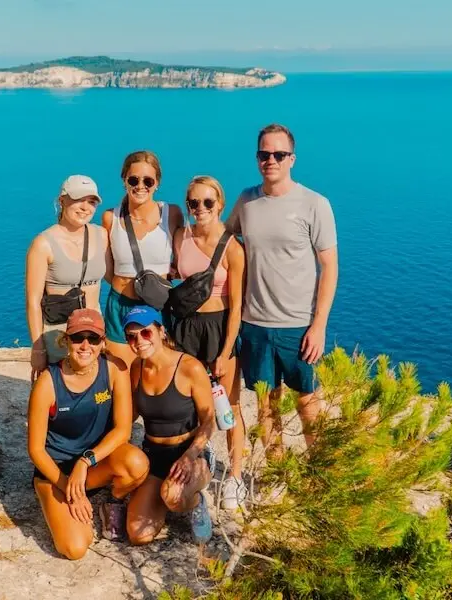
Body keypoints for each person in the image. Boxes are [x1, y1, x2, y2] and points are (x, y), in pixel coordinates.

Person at [226, 123, 339, 456]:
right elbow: (225, 239)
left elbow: (329, 266)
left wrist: (318, 327)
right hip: (256, 324)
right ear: (257, 158)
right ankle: (278, 473)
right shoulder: (246, 200)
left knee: (308, 403)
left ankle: (319, 474)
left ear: (292, 159)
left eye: (279, 154)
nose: (270, 160)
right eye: (264, 154)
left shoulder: (314, 204)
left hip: (297, 326)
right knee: (266, 405)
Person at [27, 308, 149, 559]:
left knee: (137, 463)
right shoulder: (48, 383)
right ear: (66, 341)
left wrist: (86, 461)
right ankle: (52, 500)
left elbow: (123, 429)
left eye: (93, 339)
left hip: (94, 465)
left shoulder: (115, 370)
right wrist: (69, 489)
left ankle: (112, 501)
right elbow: (36, 450)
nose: (85, 346)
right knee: (75, 548)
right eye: (77, 338)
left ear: (103, 343)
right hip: (56, 471)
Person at [171, 175, 247, 510]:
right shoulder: (180, 236)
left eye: (207, 202)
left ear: (220, 205)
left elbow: (238, 305)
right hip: (187, 329)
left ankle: (235, 476)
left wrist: (227, 349)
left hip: (219, 327)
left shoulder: (233, 246)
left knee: (229, 406)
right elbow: (175, 280)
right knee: (190, 405)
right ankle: (196, 466)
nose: (200, 209)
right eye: (193, 203)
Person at [122, 306, 217, 546]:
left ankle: (195, 502)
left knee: (173, 497)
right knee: (138, 535)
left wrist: (190, 455)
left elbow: (208, 421)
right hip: (154, 455)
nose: (139, 341)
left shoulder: (190, 368)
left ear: (161, 331)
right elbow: (130, 414)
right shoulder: (137, 368)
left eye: (145, 333)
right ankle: (164, 498)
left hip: (191, 453)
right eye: (132, 336)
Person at [102, 151, 184, 369]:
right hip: (120, 306)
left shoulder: (172, 213)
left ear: (157, 183)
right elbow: (107, 271)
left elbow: (182, 257)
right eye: (133, 180)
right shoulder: (111, 218)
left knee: (156, 375)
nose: (140, 186)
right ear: (124, 181)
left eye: (148, 180)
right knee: (121, 375)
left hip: (157, 307)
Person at [26, 175, 108, 381]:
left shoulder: (101, 235)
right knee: (59, 391)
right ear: (62, 200)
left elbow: (118, 275)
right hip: (58, 334)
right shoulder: (43, 244)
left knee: (93, 390)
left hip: (93, 328)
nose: (85, 207)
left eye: (91, 202)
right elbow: (33, 302)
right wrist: (38, 349)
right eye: (78, 199)